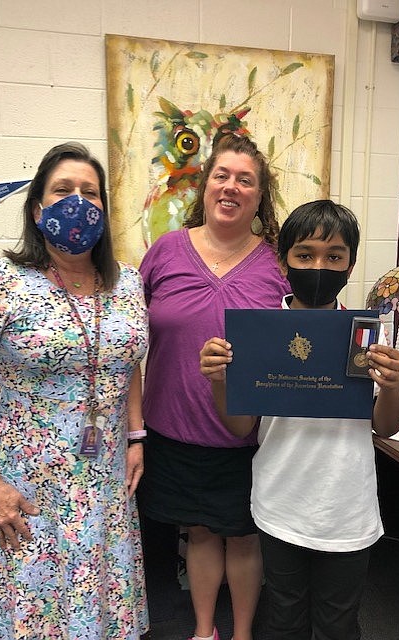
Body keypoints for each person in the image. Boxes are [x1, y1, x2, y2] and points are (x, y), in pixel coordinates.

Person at [0, 142, 149, 639]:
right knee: (28, 617)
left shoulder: (127, 283)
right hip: (21, 489)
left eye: (90, 192)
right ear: (37, 209)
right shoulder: (1, 281)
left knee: (93, 615)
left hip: (102, 488)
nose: (78, 201)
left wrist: (135, 436)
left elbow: (126, 361)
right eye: (62, 190)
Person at [200, 199, 399, 640]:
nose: (319, 266)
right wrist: (220, 380)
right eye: (305, 254)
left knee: (338, 623)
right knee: (284, 618)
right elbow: (240, 428)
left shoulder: (366, 333)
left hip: (346, 508)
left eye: (334, 257)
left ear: (350, 265)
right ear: (284, 260)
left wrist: (392, 384)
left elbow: (385, 427)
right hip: (281, 503)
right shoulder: (259, 334)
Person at [138, 133, 290, 640]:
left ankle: (242, 632)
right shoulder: (164, 252)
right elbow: (126, 333)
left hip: (247, 435)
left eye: (245, 180)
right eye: (221, 176)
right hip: (174, 429)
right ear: (204, 187)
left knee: (245, 537)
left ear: (260, 196)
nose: (231, 187)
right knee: (198, 532)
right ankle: (205, 630)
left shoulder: (277, 267)